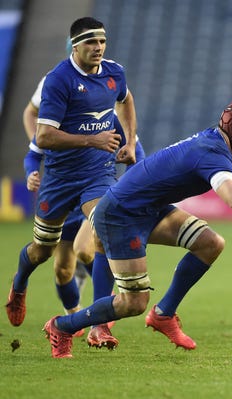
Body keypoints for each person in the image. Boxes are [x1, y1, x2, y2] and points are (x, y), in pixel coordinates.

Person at [42, 99, 232, 358]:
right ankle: (62, 325)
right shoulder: (211, 153)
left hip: (147, 209)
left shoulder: (220, 145)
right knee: (134, 303)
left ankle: (164, 314)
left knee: (210, 243)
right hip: (121, 215)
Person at [5, 17, 137, 350]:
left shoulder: (113, 73)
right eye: (91, 42)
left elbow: (126, 100)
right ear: (75, 45)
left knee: (104, 231)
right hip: (61, 179)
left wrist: (131, 142)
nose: (98, 48)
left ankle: (99, 324)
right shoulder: (57, 81)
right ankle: (19, 284)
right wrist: (91, 141)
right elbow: (44, 135)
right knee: (42, 253)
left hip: (98, 173)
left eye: (102, 42)